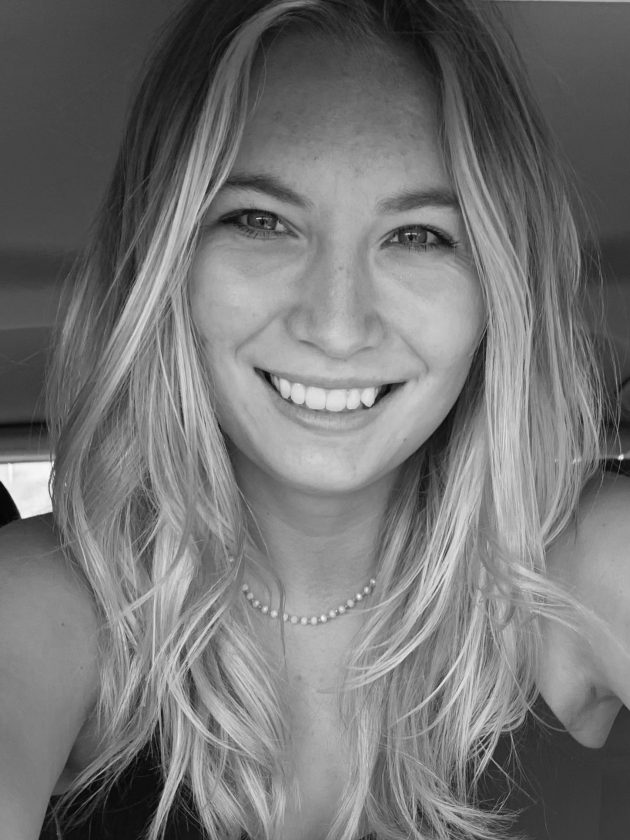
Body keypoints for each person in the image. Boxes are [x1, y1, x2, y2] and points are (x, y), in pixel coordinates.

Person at [1, 0, 629, 839]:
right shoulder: (43, 600)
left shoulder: (590, 562)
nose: (336, 326)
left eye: (420, 236)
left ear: (498, 291)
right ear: (166, 262)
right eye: (262, 222)